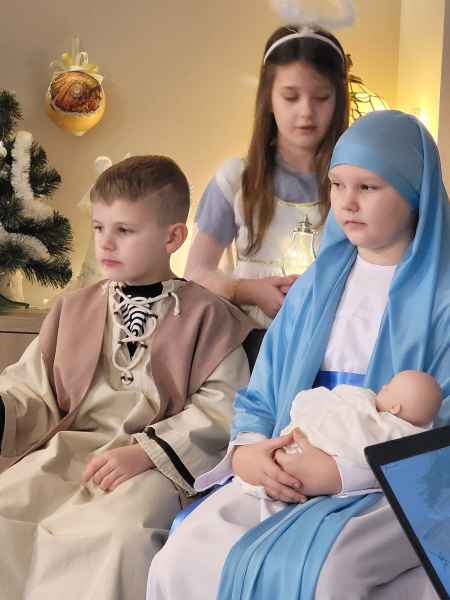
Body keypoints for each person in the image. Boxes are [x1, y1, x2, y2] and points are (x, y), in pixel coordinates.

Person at [148, 111, 450, 600]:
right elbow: (263, 393)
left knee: (325, 574)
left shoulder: (443, 298)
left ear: (415, 192)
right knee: (183, 556)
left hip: (386, 487)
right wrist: (250, 453)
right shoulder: (313, 287)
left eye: (368, 187)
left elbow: (440, 427)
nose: (347, 202)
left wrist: (341, 470)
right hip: (287, 463)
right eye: (337, 184)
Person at [0, 155, 255, 600]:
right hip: (68, 453)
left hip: (151, 466)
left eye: (125, 230)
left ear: (172, 237)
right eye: (99, 227)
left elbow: (223, 410)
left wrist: (145, 453)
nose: (106, 243)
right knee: (7, 511)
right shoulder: (73, 309)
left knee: (120, 536)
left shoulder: (211, 318)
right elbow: (32, 389)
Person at [184, 24, 349, 329]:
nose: (306, 111)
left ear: (338, 100)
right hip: (249, 343)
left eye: (321, 97)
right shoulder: (236, 180)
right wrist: (248, 291)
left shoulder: (356, 185)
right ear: (268, 98)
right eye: (290, 97)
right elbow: (196, 274)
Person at [239, 370, 442, 500]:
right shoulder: (365, 401)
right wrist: (244, 453)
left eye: (389, 388)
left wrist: (338, 475)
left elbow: (367, 446)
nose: (383, 386)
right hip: (269, 451)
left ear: (395, 408)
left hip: (357, 496)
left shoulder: (393, 431)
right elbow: (258, 402)